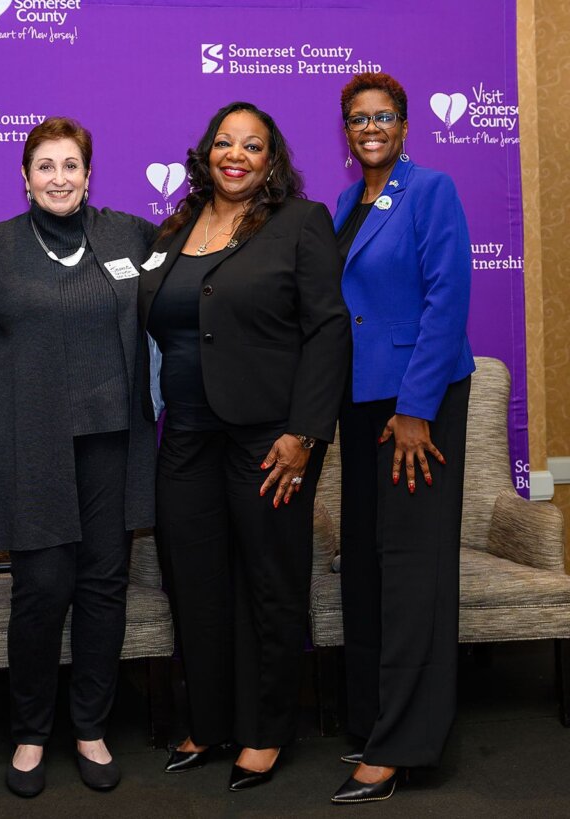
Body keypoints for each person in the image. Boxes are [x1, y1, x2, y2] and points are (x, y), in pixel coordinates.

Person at [139, 102, 350, 790]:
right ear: (206, 153)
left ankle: (266, 729)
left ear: (270, 160)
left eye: (252, 146)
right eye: (224, 143)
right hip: (187, 436)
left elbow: (327, 330)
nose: (236, 154)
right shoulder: (176, 226)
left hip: (270, 437)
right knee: (195, 585)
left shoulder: (301, 224)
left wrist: (305, 432)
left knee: (271, 582)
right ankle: (208, 718)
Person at [0, 116, 157, 798]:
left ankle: (91, 726)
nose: (60, 178)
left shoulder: (129, 235)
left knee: (102, 584)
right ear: (25, 175)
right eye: (45, 165)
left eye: (71, 165)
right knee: (41, 590)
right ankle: (31, 731)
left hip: (113, 440)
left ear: (89, 174)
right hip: (33, 442)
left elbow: (182, 300)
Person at [330, 72, 474, 804]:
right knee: (368, 564)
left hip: (417, 402)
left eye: (384, 116)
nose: (372, 127)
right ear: (346, 132)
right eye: (358, 119)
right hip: (360, 404)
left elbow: (448, 296)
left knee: (412, 569)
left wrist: (416, 407)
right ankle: (372, 719)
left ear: (406, 127)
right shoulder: (341, 206)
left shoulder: (431, 190)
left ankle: (405, 744)